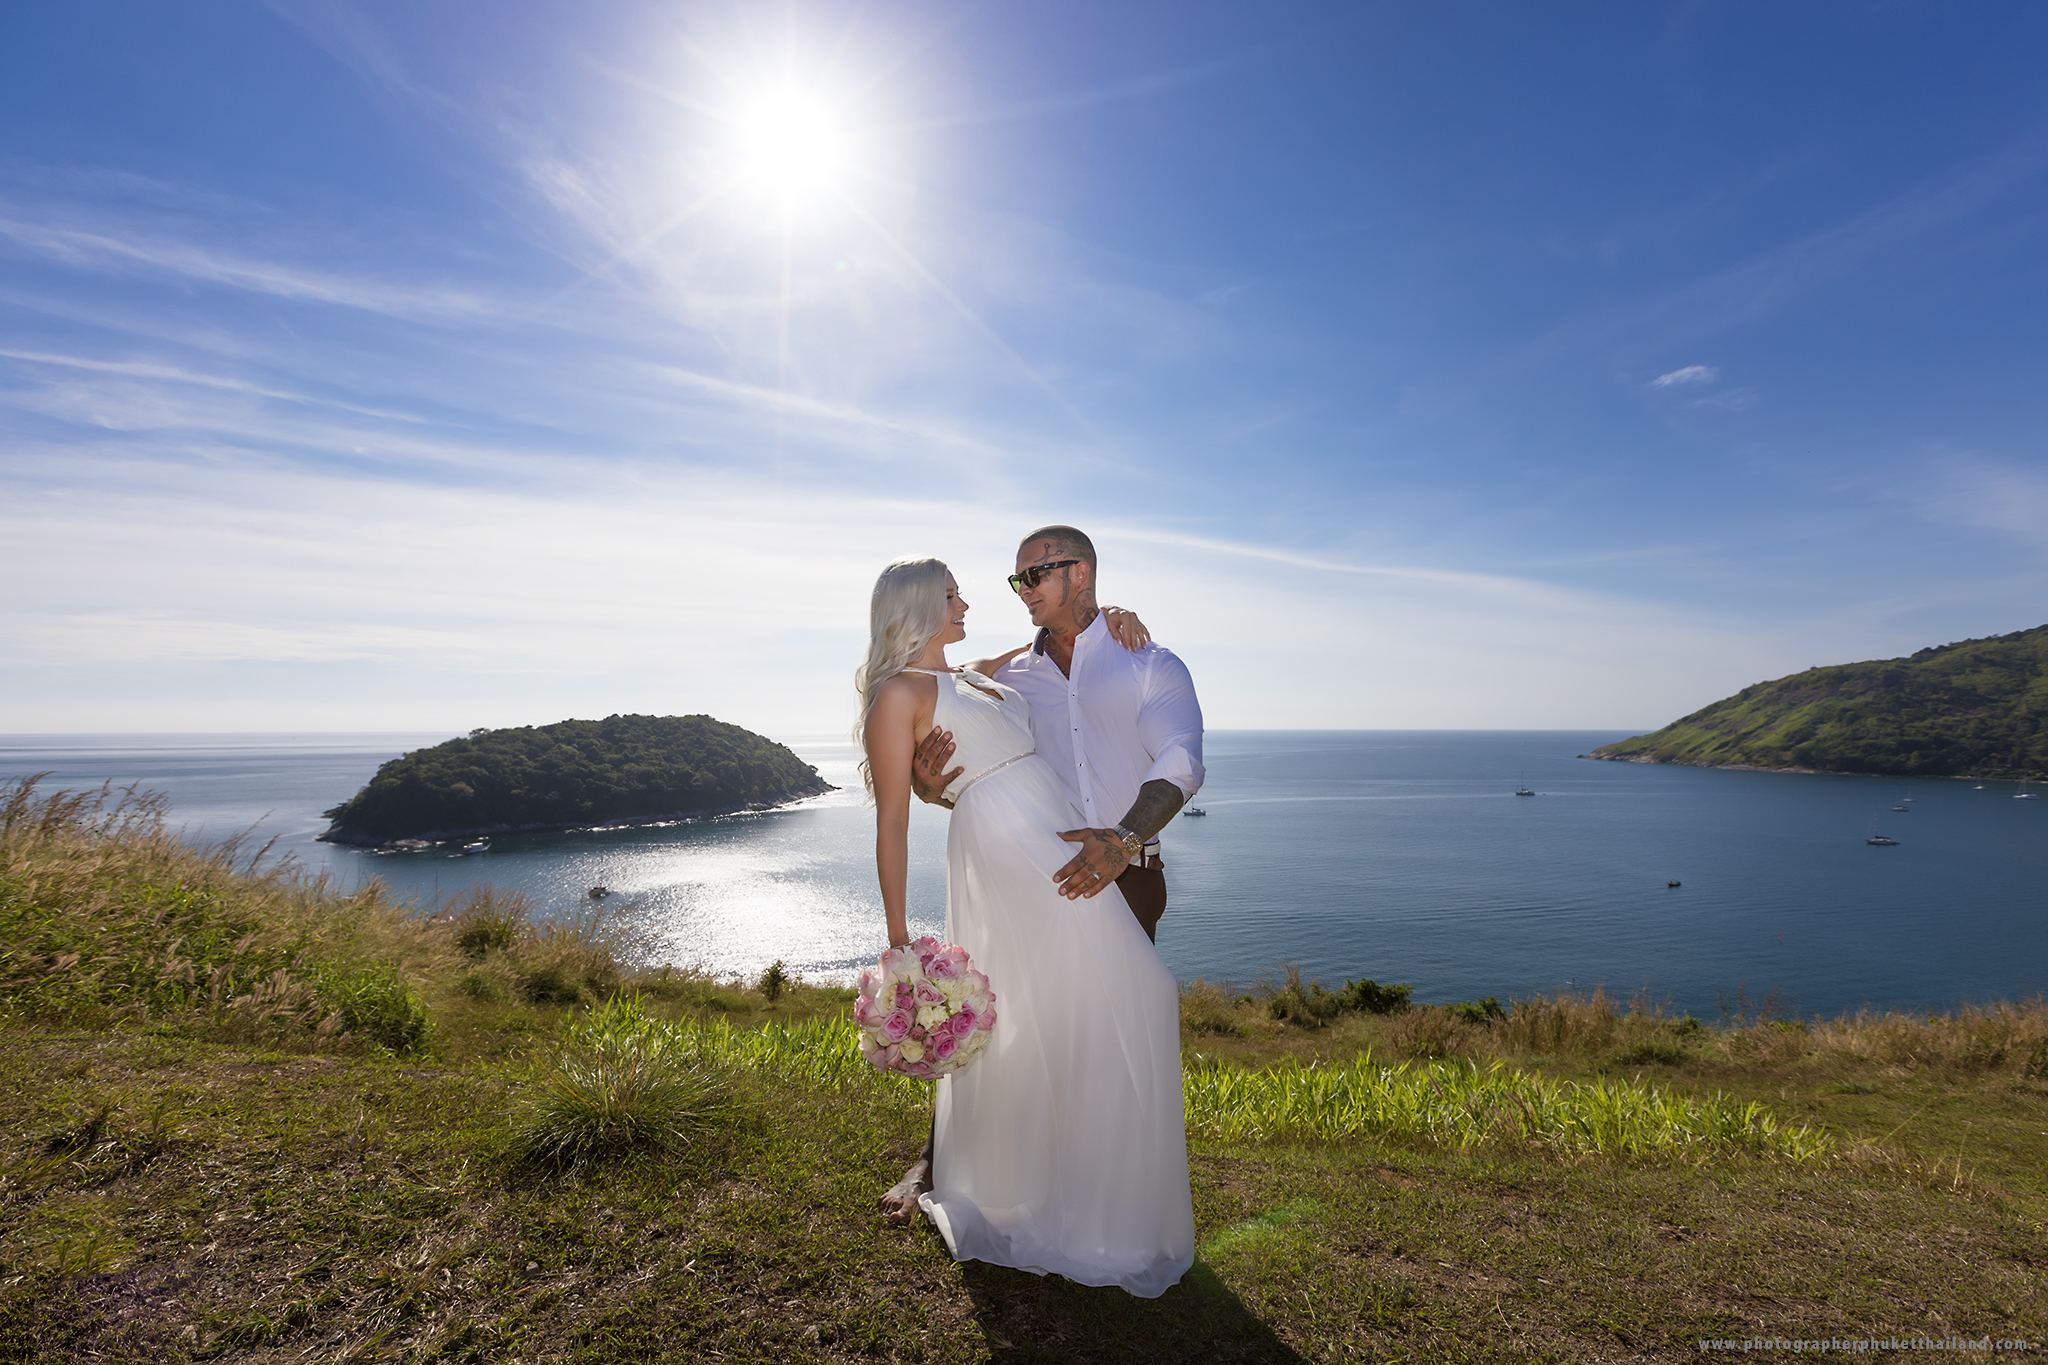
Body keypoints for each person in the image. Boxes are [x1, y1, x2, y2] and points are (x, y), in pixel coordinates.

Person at [856, 553, 1197, 1298]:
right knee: (1123, 991)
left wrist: (1111, 616)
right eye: (951, 593)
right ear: (916, 605)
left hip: (1052, 833)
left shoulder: (975, 672)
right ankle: (1037, 1195)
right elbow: (891, 821)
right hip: (1008, 850)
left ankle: (1089, 1192)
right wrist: (897, 938)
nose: (966, 600)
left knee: (1104, 999)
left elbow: (1058, 639)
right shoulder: (899, 693)